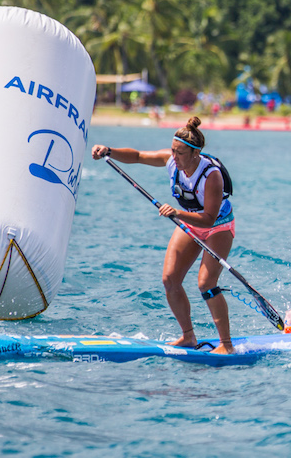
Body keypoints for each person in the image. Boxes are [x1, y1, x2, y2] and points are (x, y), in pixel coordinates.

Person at [91, 117, 236, 353]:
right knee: (170, 280)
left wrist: (177, 212)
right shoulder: (172, 162)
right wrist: (109, 151)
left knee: (206, 283)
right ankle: (188, 336)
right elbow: (137, 156)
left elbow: (209, 218)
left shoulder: (211, 175)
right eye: (172, 151)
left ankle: (226, 345)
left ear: (195, 154)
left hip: (217, 225)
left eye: (179, 153)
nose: (174, 157)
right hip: (190, 220)